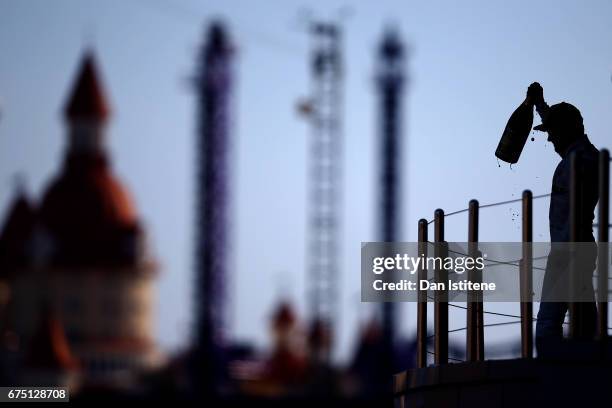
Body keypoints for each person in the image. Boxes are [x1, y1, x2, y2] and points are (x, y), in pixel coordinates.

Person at [529, 84, 600, 356]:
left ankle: (553, 375)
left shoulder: (582, 159)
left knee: (548, 322)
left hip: (569, 251)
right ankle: (587, 370)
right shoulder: (578, 156)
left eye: (553, 133)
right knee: (584, 321)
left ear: (567, 130)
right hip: (575, 249)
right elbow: (562, 124)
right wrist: (540, 105)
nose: (549, 140)